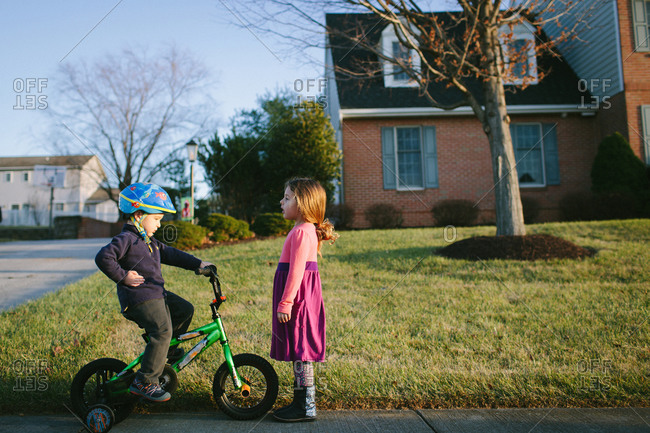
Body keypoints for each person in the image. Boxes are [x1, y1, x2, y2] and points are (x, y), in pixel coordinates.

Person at [95, 183, 213, 402]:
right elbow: (103, 257)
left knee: (185, 309)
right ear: (139, 215)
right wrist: (123, 276)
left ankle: (167, 351)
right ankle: (145, 381)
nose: (159, 225)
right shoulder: (127, 239)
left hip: (156, 294)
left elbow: (171, 254)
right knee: (161, 331)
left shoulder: (148, 240)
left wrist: (198, 264)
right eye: (156, 219)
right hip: (140, 298)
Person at [270, 177, 338, 422]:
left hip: (298, 301)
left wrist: (286, 302)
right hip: (300, 298)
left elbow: (297, 270)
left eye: (287, 198)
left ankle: (305, 406)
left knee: (301, 350)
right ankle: (302, 403)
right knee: (300, 350)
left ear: (304, 204)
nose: (282, 201)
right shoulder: (303, 230)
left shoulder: (301, 231)